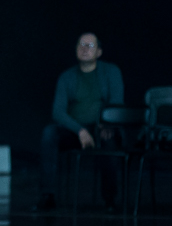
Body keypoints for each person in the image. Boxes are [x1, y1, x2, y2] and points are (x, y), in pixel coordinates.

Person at [35, 33, 124, 211]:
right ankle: (47, 196)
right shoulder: (66, 77)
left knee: (109, 139)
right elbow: (58, 112)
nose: (84, 49)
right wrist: (80, 131)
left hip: (101, 127)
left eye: (90, 46)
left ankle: (110, 200)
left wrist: (107, 124)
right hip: (74, 130)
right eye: (81, 45)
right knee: (49, 134)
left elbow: (117, 103)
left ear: (99, 52)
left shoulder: (111, 71)